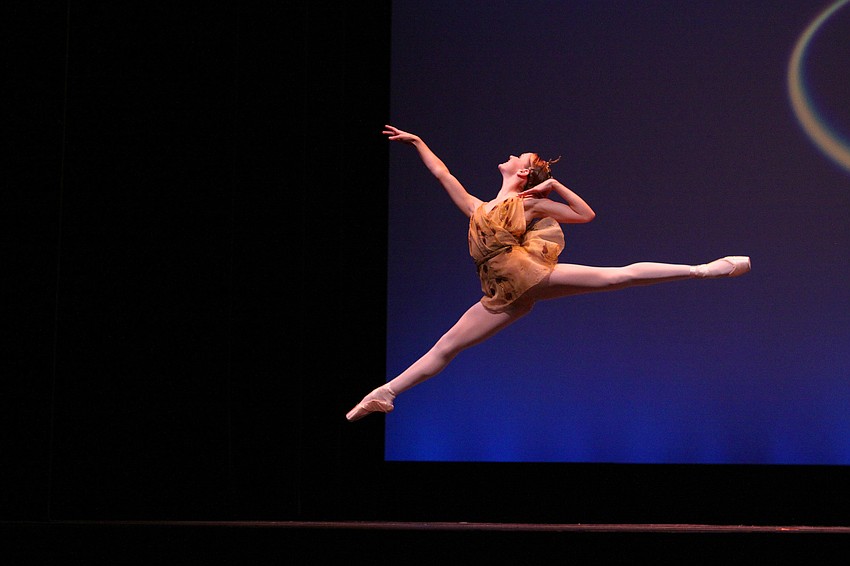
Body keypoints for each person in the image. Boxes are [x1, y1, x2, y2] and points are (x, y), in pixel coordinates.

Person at [346, 124, 750, 422]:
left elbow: (584, 215)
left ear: (521, 175)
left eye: (517, 158)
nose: (511, 156)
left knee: (617, 276)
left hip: (528, 274)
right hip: (503, 293)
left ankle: (706, 269)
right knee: (446, 347)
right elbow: (442, 174)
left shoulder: (529, 205)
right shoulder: (477, 207)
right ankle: (386, 392)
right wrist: (418, 142)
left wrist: (553, 185)